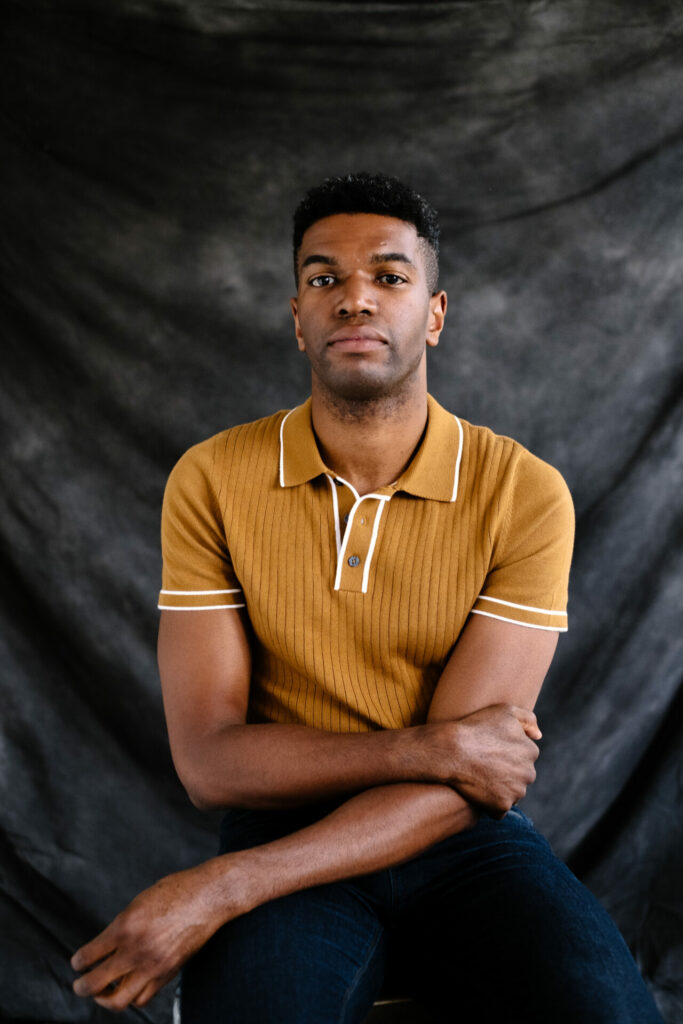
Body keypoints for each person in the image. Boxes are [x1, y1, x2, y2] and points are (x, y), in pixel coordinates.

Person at [71, 173, 663, 1022]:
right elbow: (209, 763)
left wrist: (222, 886)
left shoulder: (523, 491)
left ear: (434, 312)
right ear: (297, 318)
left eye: (389, 277)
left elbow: (472, 781)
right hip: (281, 822)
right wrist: (431, 747)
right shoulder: (211, 478)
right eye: (323, 280)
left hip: (456, 840)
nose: (354, 300)